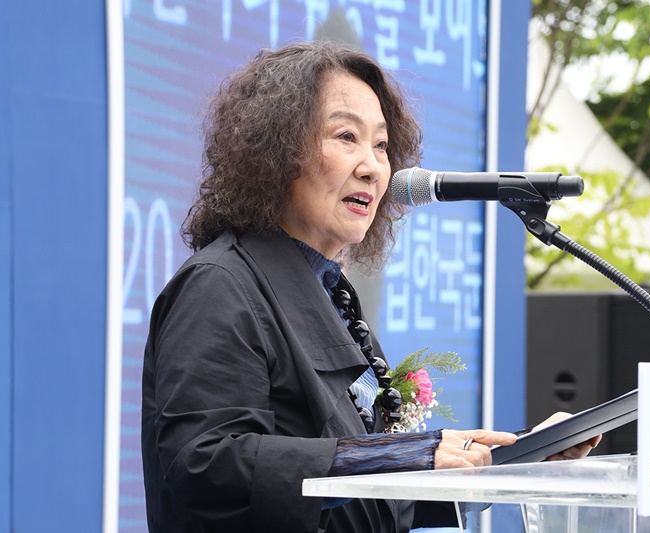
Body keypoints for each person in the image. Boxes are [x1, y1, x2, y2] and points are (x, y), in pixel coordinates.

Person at [140, 40, 601, 533]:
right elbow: (205, 465)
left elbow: (368, 499)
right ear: (274, 152)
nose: (373, 166)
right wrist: (408, 452)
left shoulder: (331, 293)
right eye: (346, 137)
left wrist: (521, 456)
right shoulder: (220, 285)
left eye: (381, 145)